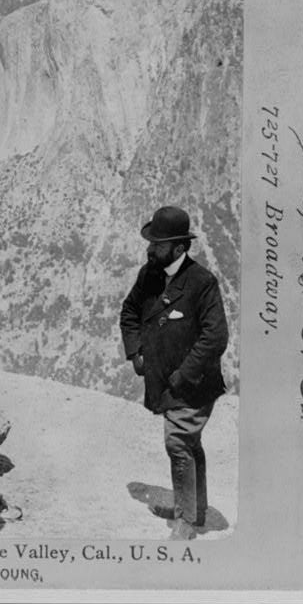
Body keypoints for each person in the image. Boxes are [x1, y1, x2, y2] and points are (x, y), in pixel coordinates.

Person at [119, 206, 228, 540]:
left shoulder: (202, 283)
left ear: (179, 248)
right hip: (163, 381)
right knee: (189, 443)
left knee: (178, 442)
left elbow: (215, 337)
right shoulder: (149, 274)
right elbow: (130, 312)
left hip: (192, 384)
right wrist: (136, 351)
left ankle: (184, 520)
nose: (150, 249)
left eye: (158, 244)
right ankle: (194, 509)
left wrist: (181, 376)